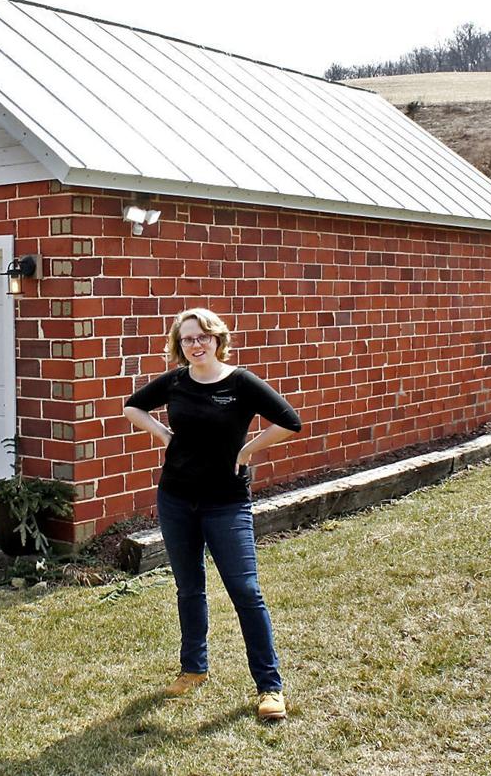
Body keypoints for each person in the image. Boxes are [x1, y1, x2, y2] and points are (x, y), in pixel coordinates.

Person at [123, 307, 302, 721]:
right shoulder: (176, 381)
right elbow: (133, 407)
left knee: (245, 591)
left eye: (203, 336)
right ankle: (193, 668)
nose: (196, 344)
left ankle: (270, 687)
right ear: (179, 346)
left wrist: (246, 450)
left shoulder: (240, 383)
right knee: (189, 587)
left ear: (217, 339)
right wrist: (165, 436)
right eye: (187, 339)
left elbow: (290, 421)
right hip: (176, 499)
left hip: (226, 502)